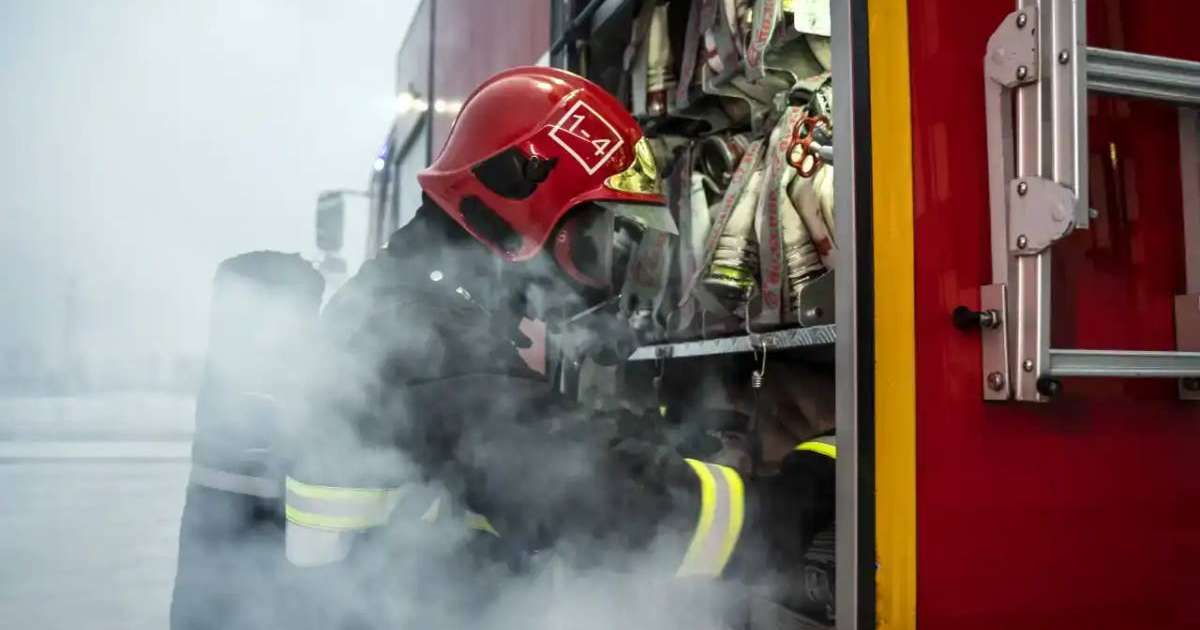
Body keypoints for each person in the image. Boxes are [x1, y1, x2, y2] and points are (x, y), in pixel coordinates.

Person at [284, 66, 835, 629]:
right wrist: (809, 488)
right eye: (597, 242)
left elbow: (542, 446)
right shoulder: (430, 340)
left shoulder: (413, 303)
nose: (605, 279)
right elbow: (608, 507)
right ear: (523, 208)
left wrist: (670, 448)